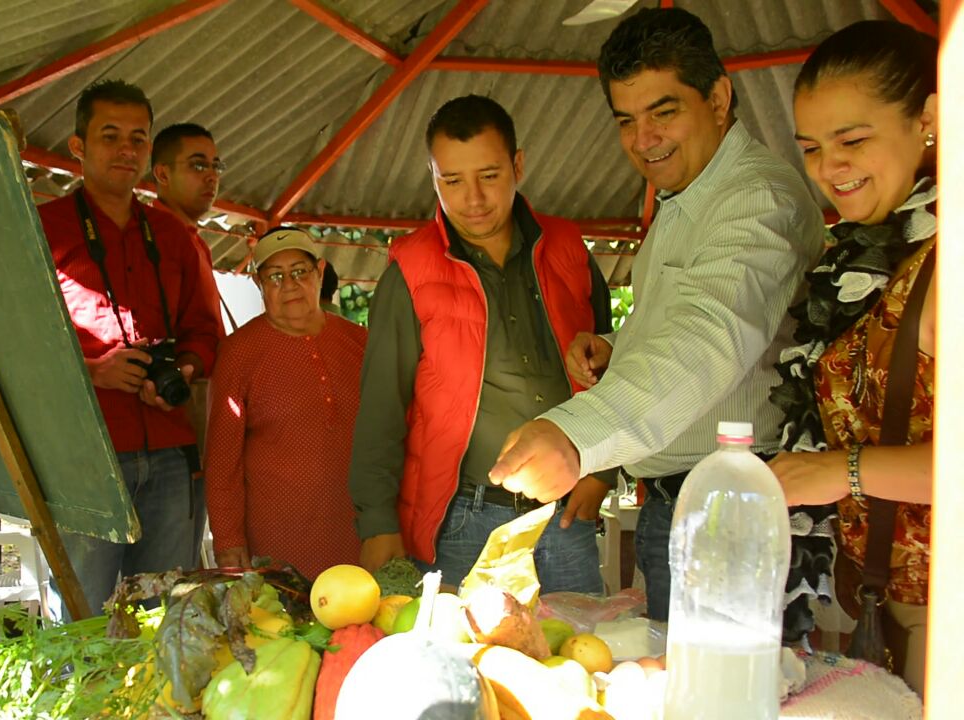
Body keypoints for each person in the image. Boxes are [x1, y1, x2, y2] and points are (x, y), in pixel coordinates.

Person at [488, 8, 826, 620]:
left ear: (719, 98)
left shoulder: (755, 198)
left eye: (664, 112)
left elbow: (709, 337)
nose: (644, 140)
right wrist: (620, 344)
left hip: (731, 510)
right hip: (680, 503)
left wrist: (577, 434)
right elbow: (691, 318)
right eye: (627, 120)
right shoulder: (686, 199)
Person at [349, 94, 612, 592]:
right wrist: (378, 521)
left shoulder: (568, 249)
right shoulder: (410, 270)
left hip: (565, 514)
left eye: (489, 176)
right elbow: (382, 408)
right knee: (463, 665)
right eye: (452, 181)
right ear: (434, 179)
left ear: (518, 165)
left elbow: (617, 367)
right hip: (462, 522)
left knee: (579, 657)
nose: (472, 198)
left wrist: (606, 470)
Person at [770, 20, 937, 694]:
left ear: (930, 117)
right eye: (811, 147)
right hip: (883, 606)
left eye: (853, 139)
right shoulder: (860, 261)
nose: (828, 167)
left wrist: (840, 472)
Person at [38, 80, 223, 614]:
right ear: (78, 147)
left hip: (171, 448)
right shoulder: (43, 229)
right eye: (110, 136)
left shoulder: (172, 234)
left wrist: (184, 371)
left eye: (137, 139)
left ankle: (151, 703)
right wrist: (93, 369)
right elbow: (18, 343)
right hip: (85, 454)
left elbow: (203, 333)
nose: (126, 150)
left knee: (165, 613)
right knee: (82, 617)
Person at [204, 227, 367, 579]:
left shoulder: (359, 342)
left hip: (359, 533)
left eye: (299, 272)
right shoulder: (238, 353)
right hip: (278, 539)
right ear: (258, 283)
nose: (289, 285)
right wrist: (228, 538)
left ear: (320, 272)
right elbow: (221, 460)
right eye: (275, 276)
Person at [151, 122, 223, 272]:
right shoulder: (155, 240)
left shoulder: (195, 243)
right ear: (163, 175)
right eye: (198, 166)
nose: (212, 177)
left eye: (216, 167)